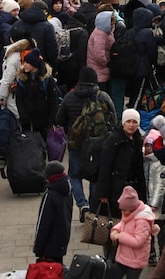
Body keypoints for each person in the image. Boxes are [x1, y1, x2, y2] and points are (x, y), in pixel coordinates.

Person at [55, 66, 116, 219]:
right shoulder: (103, 96)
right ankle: (94, 208)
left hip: (76, 143)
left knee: (74, 175)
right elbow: (114, 119)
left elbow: (60, 120)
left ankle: (83, 205)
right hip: (99, 143)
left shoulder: (70, 97)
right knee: (95, 175)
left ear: (79, 79)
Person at [97, 108, 146, 218]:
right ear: (123, 123)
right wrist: (103, 193)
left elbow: (139, 167)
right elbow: (105, 167)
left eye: (134, 122)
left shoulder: (138, 139)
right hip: (116, 188)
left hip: (133, 187)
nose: (131, 125)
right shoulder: (113, 140)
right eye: (128, 122)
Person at [108, 186, 157, 279]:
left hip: (136, 260)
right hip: (123, 256)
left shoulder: (143, 221)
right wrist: (116, 229)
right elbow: (123, 223)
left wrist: (120, 236)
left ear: (132, 209)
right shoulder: (128, 213)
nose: (122, 212)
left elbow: (138, 241)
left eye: (124, 210)